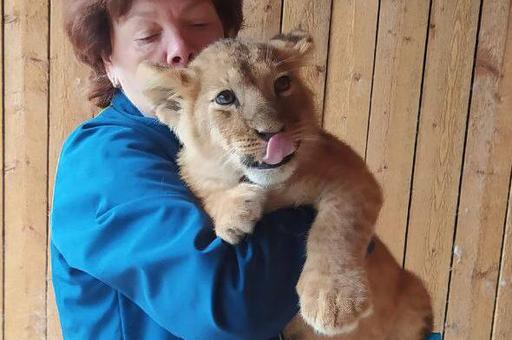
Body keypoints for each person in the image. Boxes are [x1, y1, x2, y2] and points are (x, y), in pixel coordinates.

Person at [50, 1, 316, 339]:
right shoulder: (103, 160)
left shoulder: (231, 142)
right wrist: (335, 208)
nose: (180, 49)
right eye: (148, 35)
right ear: (108, 61)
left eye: (199, 24)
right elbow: (228, 307)